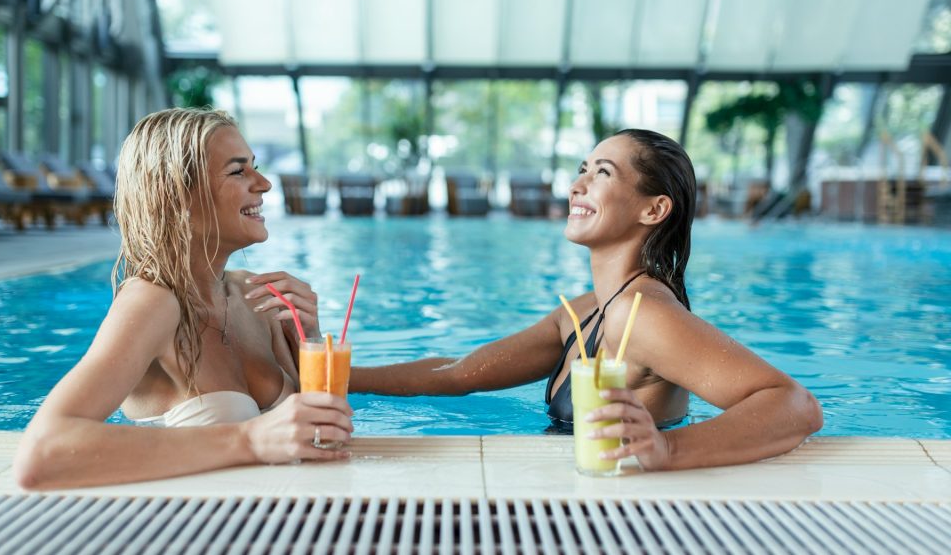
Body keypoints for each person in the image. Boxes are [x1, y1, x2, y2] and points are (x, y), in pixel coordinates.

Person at [351, 129, 822, 471]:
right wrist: (332, 378)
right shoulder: (584, 311)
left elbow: (794, 405)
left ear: (653, 209)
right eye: (582, 170)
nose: (577, 186)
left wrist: (669, 452)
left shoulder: (643, 316)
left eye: (602, 173)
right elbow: (457, 375)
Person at [14, 108, 353, 489]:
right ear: (178, 196)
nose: (264, 184)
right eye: (238, 171)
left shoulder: (255, 296)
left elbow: (318, 432)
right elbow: (42, 453)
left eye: (254, 167)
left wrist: (309, 339)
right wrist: (250, 440)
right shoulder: (153, 303)